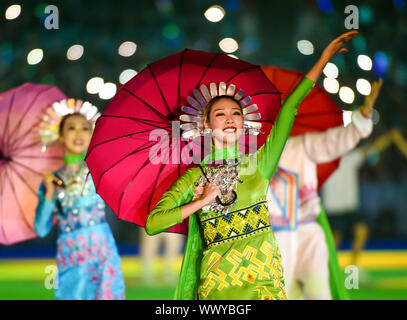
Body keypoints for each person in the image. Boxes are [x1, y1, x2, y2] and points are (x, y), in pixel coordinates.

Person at [145, 31, 358, 300]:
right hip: (218, 285)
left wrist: (324, 59)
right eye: (220, 114)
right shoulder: (193, 179)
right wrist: (201, 201)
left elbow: (290, 107)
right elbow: (153, 224)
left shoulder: (259, 163)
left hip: (265, 279)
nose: (230, 118)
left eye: (236, 113)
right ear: (207, 125)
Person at [267, 79, 383, 300]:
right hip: (273, 237)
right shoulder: (251, 154)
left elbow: (337, 140)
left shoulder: (302, 144)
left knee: (320, 294)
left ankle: (353, 270)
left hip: (308, 232)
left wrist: (363, 115)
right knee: (282, 295)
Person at [34, 99, 125, 300]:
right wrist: (49, 192)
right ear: (60, 134)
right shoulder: (53, 179)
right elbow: (41, 229)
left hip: (103, 251)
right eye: (71, 128)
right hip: (70, 255)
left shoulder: (99, 170)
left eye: (85, 128)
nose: (79, 133)